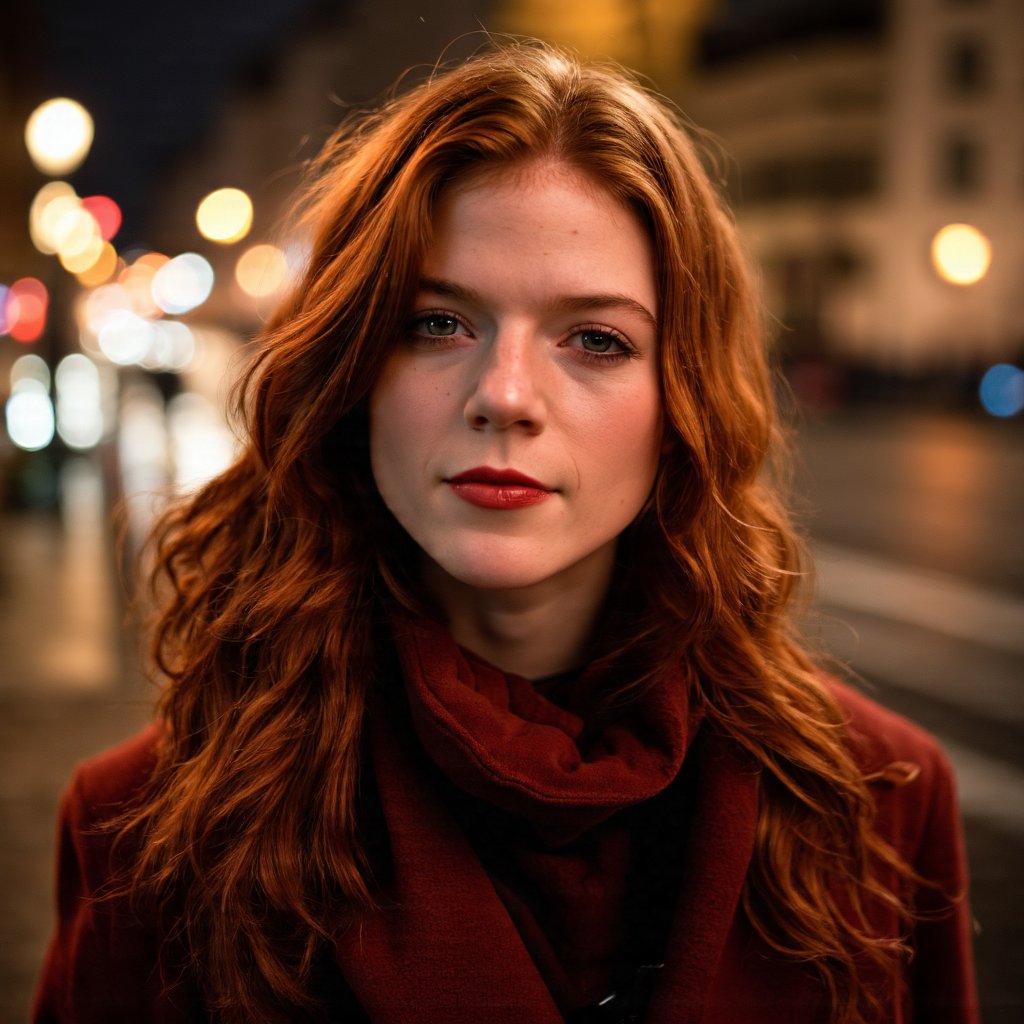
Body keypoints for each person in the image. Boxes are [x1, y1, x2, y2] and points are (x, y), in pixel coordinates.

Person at [33, 40, 977, 1024]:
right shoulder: (147, 827)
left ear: (682, 400)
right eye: (437, 323)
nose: (506, 395)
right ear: (351, 372)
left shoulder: (877, 803)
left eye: (596, 339)